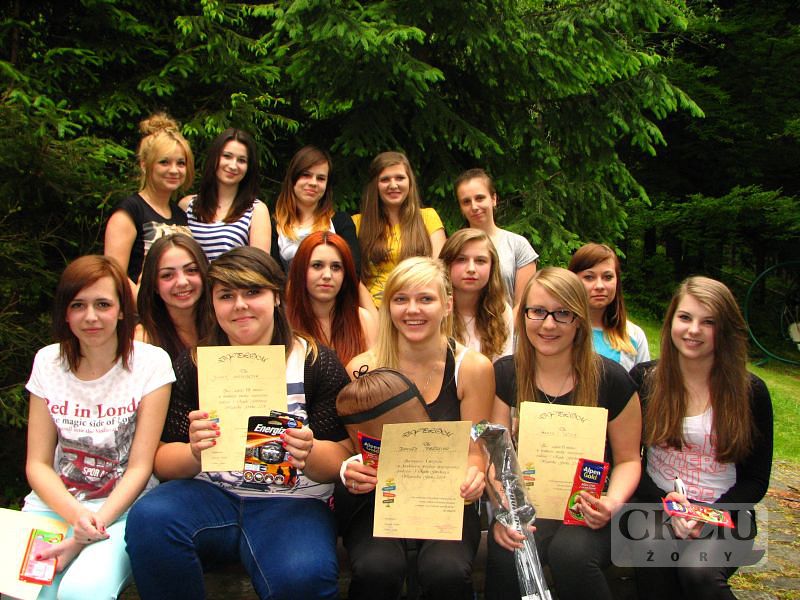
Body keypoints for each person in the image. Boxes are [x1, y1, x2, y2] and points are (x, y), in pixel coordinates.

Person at [125, 247, 352, 600]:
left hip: (294, 503)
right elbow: (163, 461)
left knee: (303, 577)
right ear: (212, 304)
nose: (240, 305)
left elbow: (343, 458)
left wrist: (309, 450)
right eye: (226, 295)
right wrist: (194, 452)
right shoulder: (195, 364)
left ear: (277, 296)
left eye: (253, 292)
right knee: (150, 518)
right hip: (210, 496)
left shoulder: (314, 361)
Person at [339, 256, 494, 600]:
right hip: (380, 499)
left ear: (447, 305)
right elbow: (352, 449)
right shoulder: (362, 369)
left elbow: (475, 450)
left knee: (445, 570)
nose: (412, 310)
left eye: (425, 298)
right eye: (401, 299)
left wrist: (474, 475)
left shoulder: (473, 369)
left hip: (446, 497)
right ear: (388, 306)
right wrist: (351, 468)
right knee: (377, 568)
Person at [23, 255, 172, 600]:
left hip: (120, 509)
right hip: (54, 506)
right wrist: (77, 518)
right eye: (78, 305)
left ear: (121, 310)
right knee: (28, 591)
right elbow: (37, 464)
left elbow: (140, 467)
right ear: (65, 312)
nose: (90, 316)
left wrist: (88, 530)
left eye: (103, 304)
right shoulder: (48, 362)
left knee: (82, 592)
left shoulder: (150, 364)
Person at [487, 267, 641, 600]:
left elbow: (629, 460)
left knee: (571, 555)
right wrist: (505, 512)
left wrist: (611, 503)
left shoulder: (612, 380)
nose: (548, 324)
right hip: (528, 504)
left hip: (592, 508)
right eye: (538, 311)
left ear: (580, 320)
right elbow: (498, 459)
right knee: (507, 549)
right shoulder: (506, 374)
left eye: (562, 313)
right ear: (523, 315)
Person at [631, 276, 773, 599]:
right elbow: (627, 459)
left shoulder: (751, 392)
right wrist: (669, 506)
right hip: (656, 504)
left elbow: (756, 480)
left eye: (708, 322)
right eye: (685, 317)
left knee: (698, 570)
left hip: (728, 511)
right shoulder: (645, 380)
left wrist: (707, 516)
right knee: (653, 550)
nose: (693, 330)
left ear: (725, 330)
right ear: (671, 321)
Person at [104, 112, 194, 292]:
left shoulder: (180, 214)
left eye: (181, 163)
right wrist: (142, 303)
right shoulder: (129, 212)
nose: (174, 170)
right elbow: (114, 274)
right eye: (164, 162)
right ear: (145, 165)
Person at [354, 152, 446, 307]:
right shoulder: (357, 223)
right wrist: (372, 315)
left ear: (410, 182)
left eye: (400, 178)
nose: (393, 185)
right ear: (375, 185)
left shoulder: (428, 217)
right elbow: (352, 277)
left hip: (417, 308)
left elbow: (440, 271)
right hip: (372, 310)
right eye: (385, 179)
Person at [285, 231, 376, 366]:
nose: (327, 275)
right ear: (300, 271)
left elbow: (378, 375)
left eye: (336, 267)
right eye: (317, 265)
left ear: (346, 274)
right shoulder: (283, 323)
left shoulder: (363, 320)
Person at [180, 128, 270, 262]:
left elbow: (260, 266)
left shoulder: (256, 210)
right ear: (214, 158)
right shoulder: (187, 206)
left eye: (241, 160)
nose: (233, 166)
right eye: (227, 156)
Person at [454, 168, 538, 308]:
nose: (474, 206)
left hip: (508, 321)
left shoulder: (518, 245)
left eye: (480, 198)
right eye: (466, 202)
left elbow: (523, 304)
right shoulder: (454, 247)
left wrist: (505, 323)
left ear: (493, 199)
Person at [271, 145, 360, 271]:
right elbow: (271, 275)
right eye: (306, 175)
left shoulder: (341, 223)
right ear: (293, 178)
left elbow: (353, 271)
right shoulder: (274, 226)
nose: (313, 183)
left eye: (321, 178)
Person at [568, 242, 649, 370]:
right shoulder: (559, 330)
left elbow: (643, 381)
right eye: (589, 277)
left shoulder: (634, 335)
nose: (599, 286)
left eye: (607, 277)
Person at [136, 233, 212, 363]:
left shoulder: (225, 326)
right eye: (167, 275)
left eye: (191, 270)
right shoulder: (142, 341)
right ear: (154, 285)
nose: (182, 282)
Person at [439, 228, 513, 361]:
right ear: (446, 264)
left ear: (492, 266)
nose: (471, 269)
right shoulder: (433, 309)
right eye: (461, 259)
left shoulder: (502, 311)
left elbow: (502, 367)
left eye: (480, 261)